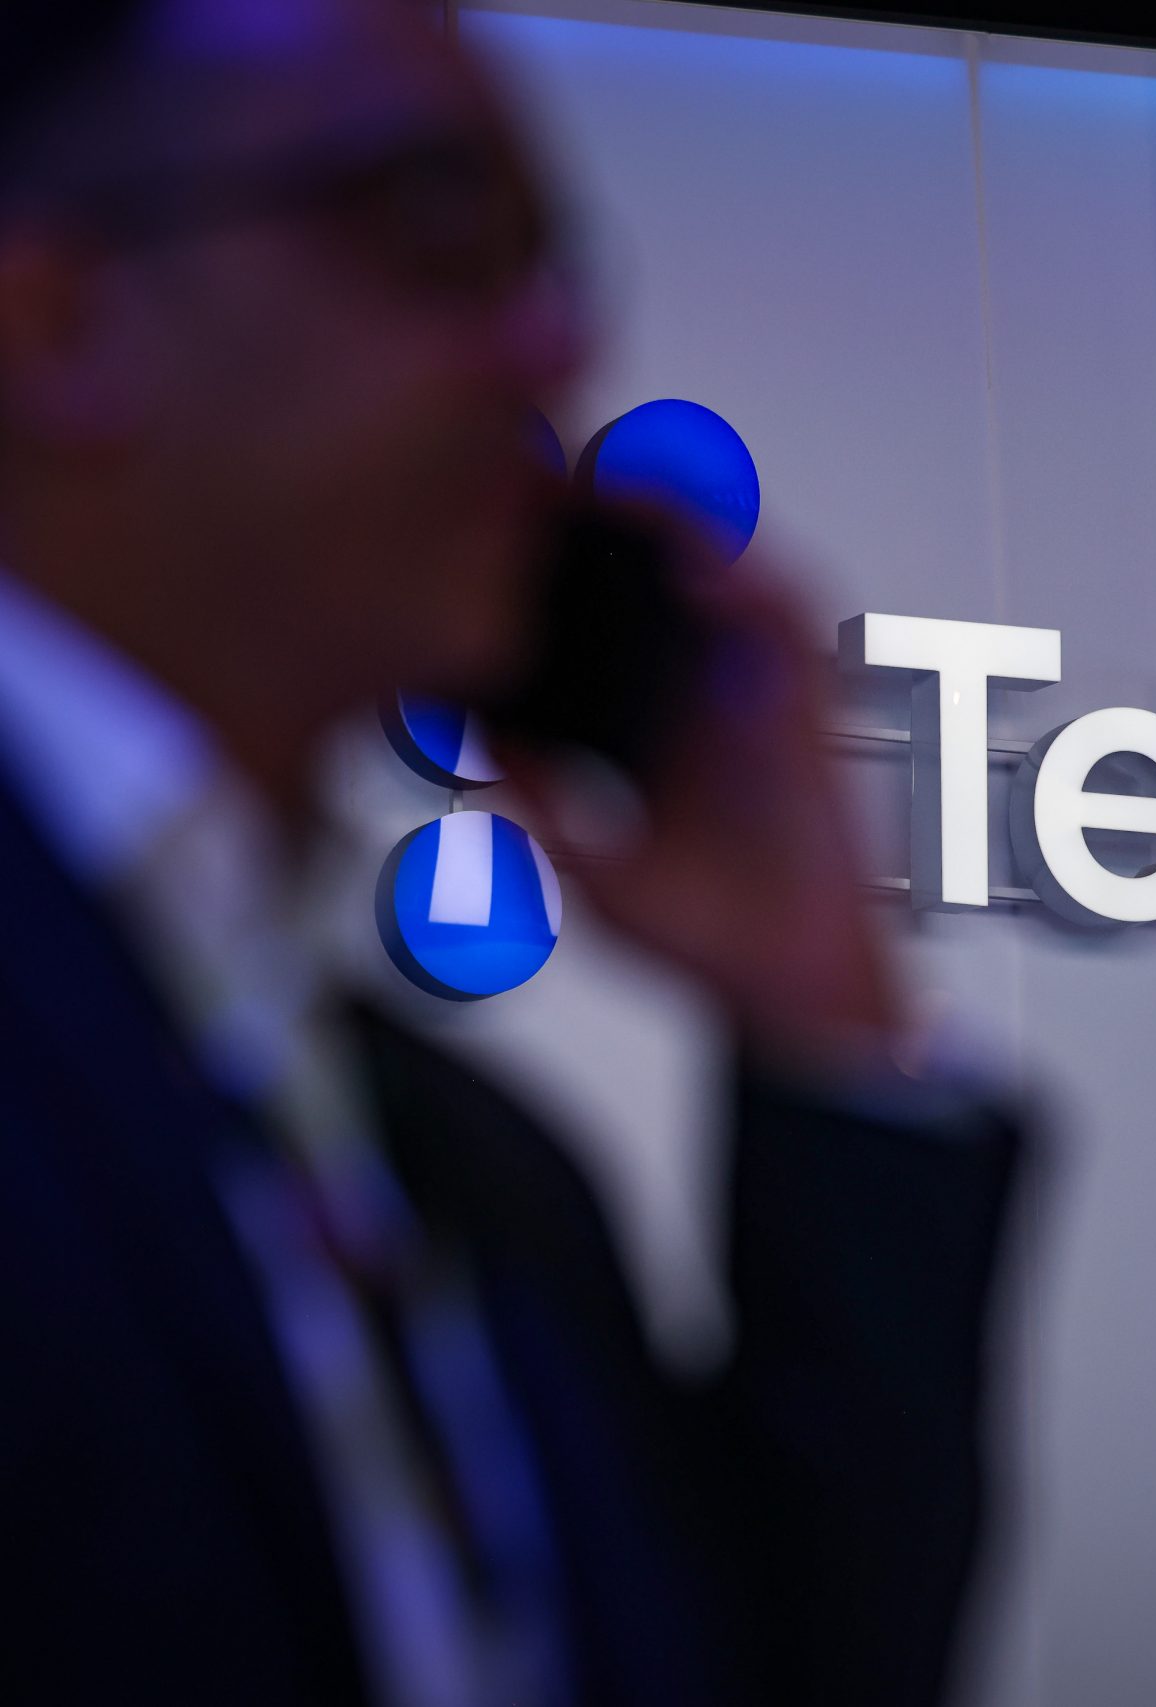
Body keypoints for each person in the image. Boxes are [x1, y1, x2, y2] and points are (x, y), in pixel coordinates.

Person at [0, 1, 1027, 1702]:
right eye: (434, 228)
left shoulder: (469, 1176)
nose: (549, 348)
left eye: (553, 265)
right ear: (58, 321)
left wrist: (822, 1026)